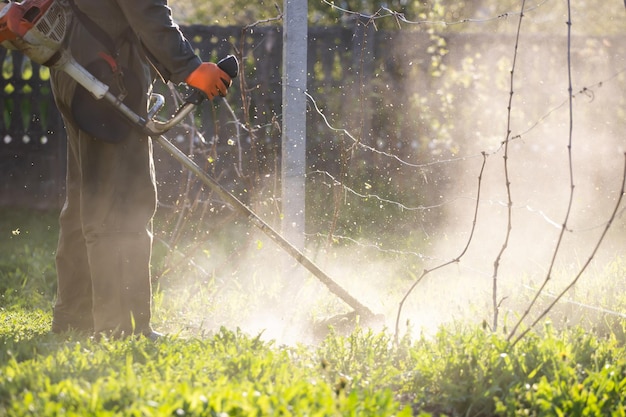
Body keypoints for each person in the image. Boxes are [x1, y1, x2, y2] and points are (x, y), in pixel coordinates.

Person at [49, 0, 232, 339]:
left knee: (87, 197)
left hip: (76, 66)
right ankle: (122, 325)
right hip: (103, 73)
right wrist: (189, 67)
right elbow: (145, 12)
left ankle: (75, 317)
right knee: (123, 202)